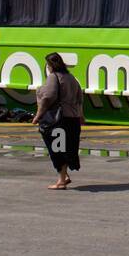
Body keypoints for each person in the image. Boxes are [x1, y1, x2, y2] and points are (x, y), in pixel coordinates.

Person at [31, 52, 85, 189]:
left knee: (57, 148)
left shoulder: (53, 77)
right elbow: (80, 98)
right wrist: (81, 116)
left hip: (58, 120)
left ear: (50, 66)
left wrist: (38, 115)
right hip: (72, 119)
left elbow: (48, 97)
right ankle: (64, 176)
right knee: (67, 148)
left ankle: (61, 181)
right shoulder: (71, 78)